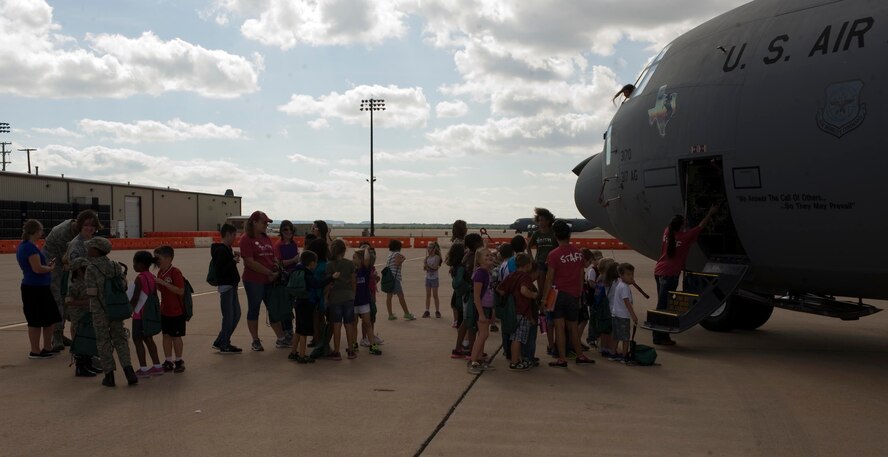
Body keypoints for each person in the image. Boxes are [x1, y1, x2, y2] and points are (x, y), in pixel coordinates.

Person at [652, 204, 719, 345]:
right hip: (670, 275)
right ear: (681, 226)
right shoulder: (685, 237)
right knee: (664, 307)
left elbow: (677, 227)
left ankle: (660, 335)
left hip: (659, 271)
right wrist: (710, 213)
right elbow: (700, 226)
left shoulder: (667, 232)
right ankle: (660, 336)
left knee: (662, 304)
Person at [84, 237, 138, 387]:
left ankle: (109, 376)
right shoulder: (115, 266)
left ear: (96, 250)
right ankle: (129, 371)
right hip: (116, 309)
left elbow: (91, 292)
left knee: (103, 342)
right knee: (120, 340)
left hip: (100, 311)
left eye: (90, 248)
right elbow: (124, 285)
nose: (88, 250)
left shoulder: (91, 268)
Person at [543, 220, 596, 367]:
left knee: (559, 326)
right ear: (569, 235)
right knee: (573, 326)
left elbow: (549, 278)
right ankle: (579, 355)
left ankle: (562, 358)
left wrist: (544, 298)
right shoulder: (578, 254)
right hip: (573, 295)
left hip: (558, 294)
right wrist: (578, 294)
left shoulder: (553, 255)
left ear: (555, 236)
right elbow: (581, 276)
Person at [17, 220, 62, 359]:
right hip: (36, 288)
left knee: (39, 319)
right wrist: (50, 268)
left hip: (33, 287)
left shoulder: (23, 246)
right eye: (41, 230)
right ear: (36, 231)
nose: (42, 233)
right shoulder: (30, 248)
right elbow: (37, 269)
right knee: (43, 319)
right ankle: (39, 349)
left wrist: (45, 266)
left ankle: (41, 349)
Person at [41, 213, 86, 350]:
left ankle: (60, 332)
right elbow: (66, 258)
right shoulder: (62, 233)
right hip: (54, 263)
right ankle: (57, 336)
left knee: (67, 296)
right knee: (58, 298)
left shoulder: (78, 229)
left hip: (64, 263)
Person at [239, 210, 281, 352]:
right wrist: (268, 272)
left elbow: (273, 256)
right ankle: (255, 340)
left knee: (274, 308)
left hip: (269, 280)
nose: (266, 225)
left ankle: (281, 337)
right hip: (254, 280)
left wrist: (275, 266)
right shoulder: (246, 239)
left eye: (267, 223)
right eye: (264, 223)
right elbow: (249, 262)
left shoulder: (266, 237)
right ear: (254, 222)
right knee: (254, 308)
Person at [288, 250, 338, 363]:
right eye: (315, 263)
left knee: (298, 329)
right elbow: (317, 284)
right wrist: (331, 278)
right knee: (304, 331)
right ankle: (302, 355)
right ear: (311, 263)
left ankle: (293, 352)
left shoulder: (297, 270)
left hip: (298, 302)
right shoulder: (307, 274)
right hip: (306, 303)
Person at [497, 253, 537, 371]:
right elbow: (524, 290)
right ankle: (514, 362)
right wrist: (533, 295)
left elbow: (500, 289)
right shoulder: (525, 277)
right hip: (522, 311)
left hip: (511, 311)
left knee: (514, 336)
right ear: (528, 265)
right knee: (518, 338)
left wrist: (510, 298)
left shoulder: (511, 275)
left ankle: (518, 358)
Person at [527, 208, 557, 353]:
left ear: (549, 220)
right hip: (539, 263)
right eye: (539, 220)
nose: (541, 223)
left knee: (550, 287)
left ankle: (549, 308)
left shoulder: (553, 233)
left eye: (544, 220)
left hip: (551, 264)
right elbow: (528, 246)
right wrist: (532, 259)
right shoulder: (537, 234)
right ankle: (542, 312)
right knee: (541, 289)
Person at [154, 245, 187, 373]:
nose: (157, 261)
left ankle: (178, 360)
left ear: (168, 258)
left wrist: (163, 283)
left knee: (176, 337)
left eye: (159, 258)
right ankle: (168, 360)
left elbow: (180, 291)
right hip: (165, 310)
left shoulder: (175, 272)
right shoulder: (160, 272)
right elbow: (162, 290)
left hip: (176, 311)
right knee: (166, 335)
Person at [130, 251, 163, 377]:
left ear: (141, 264)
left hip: (139, 314)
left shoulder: (140, 278)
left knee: (137, 340)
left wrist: (130, 309)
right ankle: (157, 365)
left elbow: (135, 297)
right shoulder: (151, 276)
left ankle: (143, 368)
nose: (134, 265)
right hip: (149, 314)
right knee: (149, 339)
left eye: (135, 263)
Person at [211, 223, 242, 354]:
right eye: (234, 235)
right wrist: (233, 261)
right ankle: (224, 343)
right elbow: (221, 270)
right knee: (229, 316)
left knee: (235, 314)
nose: (235, 238)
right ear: (228, 234)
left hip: (231, 286)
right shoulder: (221, 250)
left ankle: (221, 340)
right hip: (227, 286)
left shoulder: (226, 249)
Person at [66, 257, 100, 376]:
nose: (86, 270)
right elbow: (68, 301)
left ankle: (88, 363)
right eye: (84, 268)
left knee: (88, 340)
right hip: (79, 316)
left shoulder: (87, 281)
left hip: (88, 316)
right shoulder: (74, 285)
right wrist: (84, 303)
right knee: (80, 342)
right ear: (77, 270)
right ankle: (80, 367)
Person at [451, 233, 483, 359]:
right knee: (472, 323)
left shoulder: (466, 256)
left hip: (465, 294)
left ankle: (458, 348)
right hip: (471, 294)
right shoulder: (474, 257)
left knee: (465, 320)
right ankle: (471, 351)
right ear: (476, 244)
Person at [326, 239, 357, 360]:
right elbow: (353, 281)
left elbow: (328, 284)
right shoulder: (350, 264)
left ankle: (337, 351)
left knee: (337, 325)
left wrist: (326, 297)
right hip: (348, 296)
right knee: (349, 324)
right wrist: (353, 294)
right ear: (344, 251)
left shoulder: (329, 265)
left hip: (335, 298)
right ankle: (351, 350)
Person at [467, 248, 495, 375]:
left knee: (484, 335)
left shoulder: (487, 272)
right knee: (483, 335)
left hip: (487, 307)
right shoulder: (480, 273)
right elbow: (476, 296)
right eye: (486, 255)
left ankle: (479, 358)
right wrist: (481, 314)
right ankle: (473, 361)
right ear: (479, 260)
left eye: (490, 255)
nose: (489, 257)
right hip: (481, 308)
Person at [353, 246, 381, 355]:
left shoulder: (364, 270)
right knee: (353, 324)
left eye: (355, 257)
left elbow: (367, 259)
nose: (352, 259)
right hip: (353, 302)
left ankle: (372, 345)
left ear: (360, 259)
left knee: (368, 324)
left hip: (364, 301)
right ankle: (353, 344)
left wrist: (365, 249)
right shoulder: (352, 271)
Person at [276, 220, 299, 341]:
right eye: (285, 229)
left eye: (290, 229)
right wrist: (293, 260)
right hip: (284, 279)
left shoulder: (294, 244)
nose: (288, 232)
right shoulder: (279, 245)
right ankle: (286, 331)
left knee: (293, 305)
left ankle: (290, 329)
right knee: (285, 306)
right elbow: (280, 263)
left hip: (294, 278)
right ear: (281, 231)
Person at [612, 263, 640, 362]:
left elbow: (627, 281)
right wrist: (633, 315)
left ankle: (613, 353)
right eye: (628, 274)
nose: (631, 277)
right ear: (621, 275)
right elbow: (627, 302)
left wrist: (631, 282)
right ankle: (624, 356)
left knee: (616, 336)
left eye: (632, 274)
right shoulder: (625, 288)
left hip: (616, 314)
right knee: (625, 337)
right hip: (623, 316)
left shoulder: (620, 284)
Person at [306, 238, 329, 348]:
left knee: (316, 319)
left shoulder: (313, 264)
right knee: (320, 319)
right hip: (320, 294)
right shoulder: (325, 264)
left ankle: (317, 340)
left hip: (314, 295)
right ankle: (319, 340)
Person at [385, 239, 414, 320]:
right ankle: (406, 313)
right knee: (401, 296)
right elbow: (397, 263)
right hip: (395, 278)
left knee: (389, 296)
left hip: (389, 277)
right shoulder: (397, 254)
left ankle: (390, 314)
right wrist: (403, 259)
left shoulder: (390, 254)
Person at [423, 242, 442, 318]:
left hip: (434, 279)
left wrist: (427, 265)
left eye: (431, 248)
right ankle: (427, 310)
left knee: (435, 295)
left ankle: (437, 311)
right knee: (428, 295)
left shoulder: (437, 257)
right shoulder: (427, 258)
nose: (429, 249)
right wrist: (427, 266)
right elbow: (425, 268)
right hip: (428, 278)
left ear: (434, 249)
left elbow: (435, 267)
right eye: (428, 247)